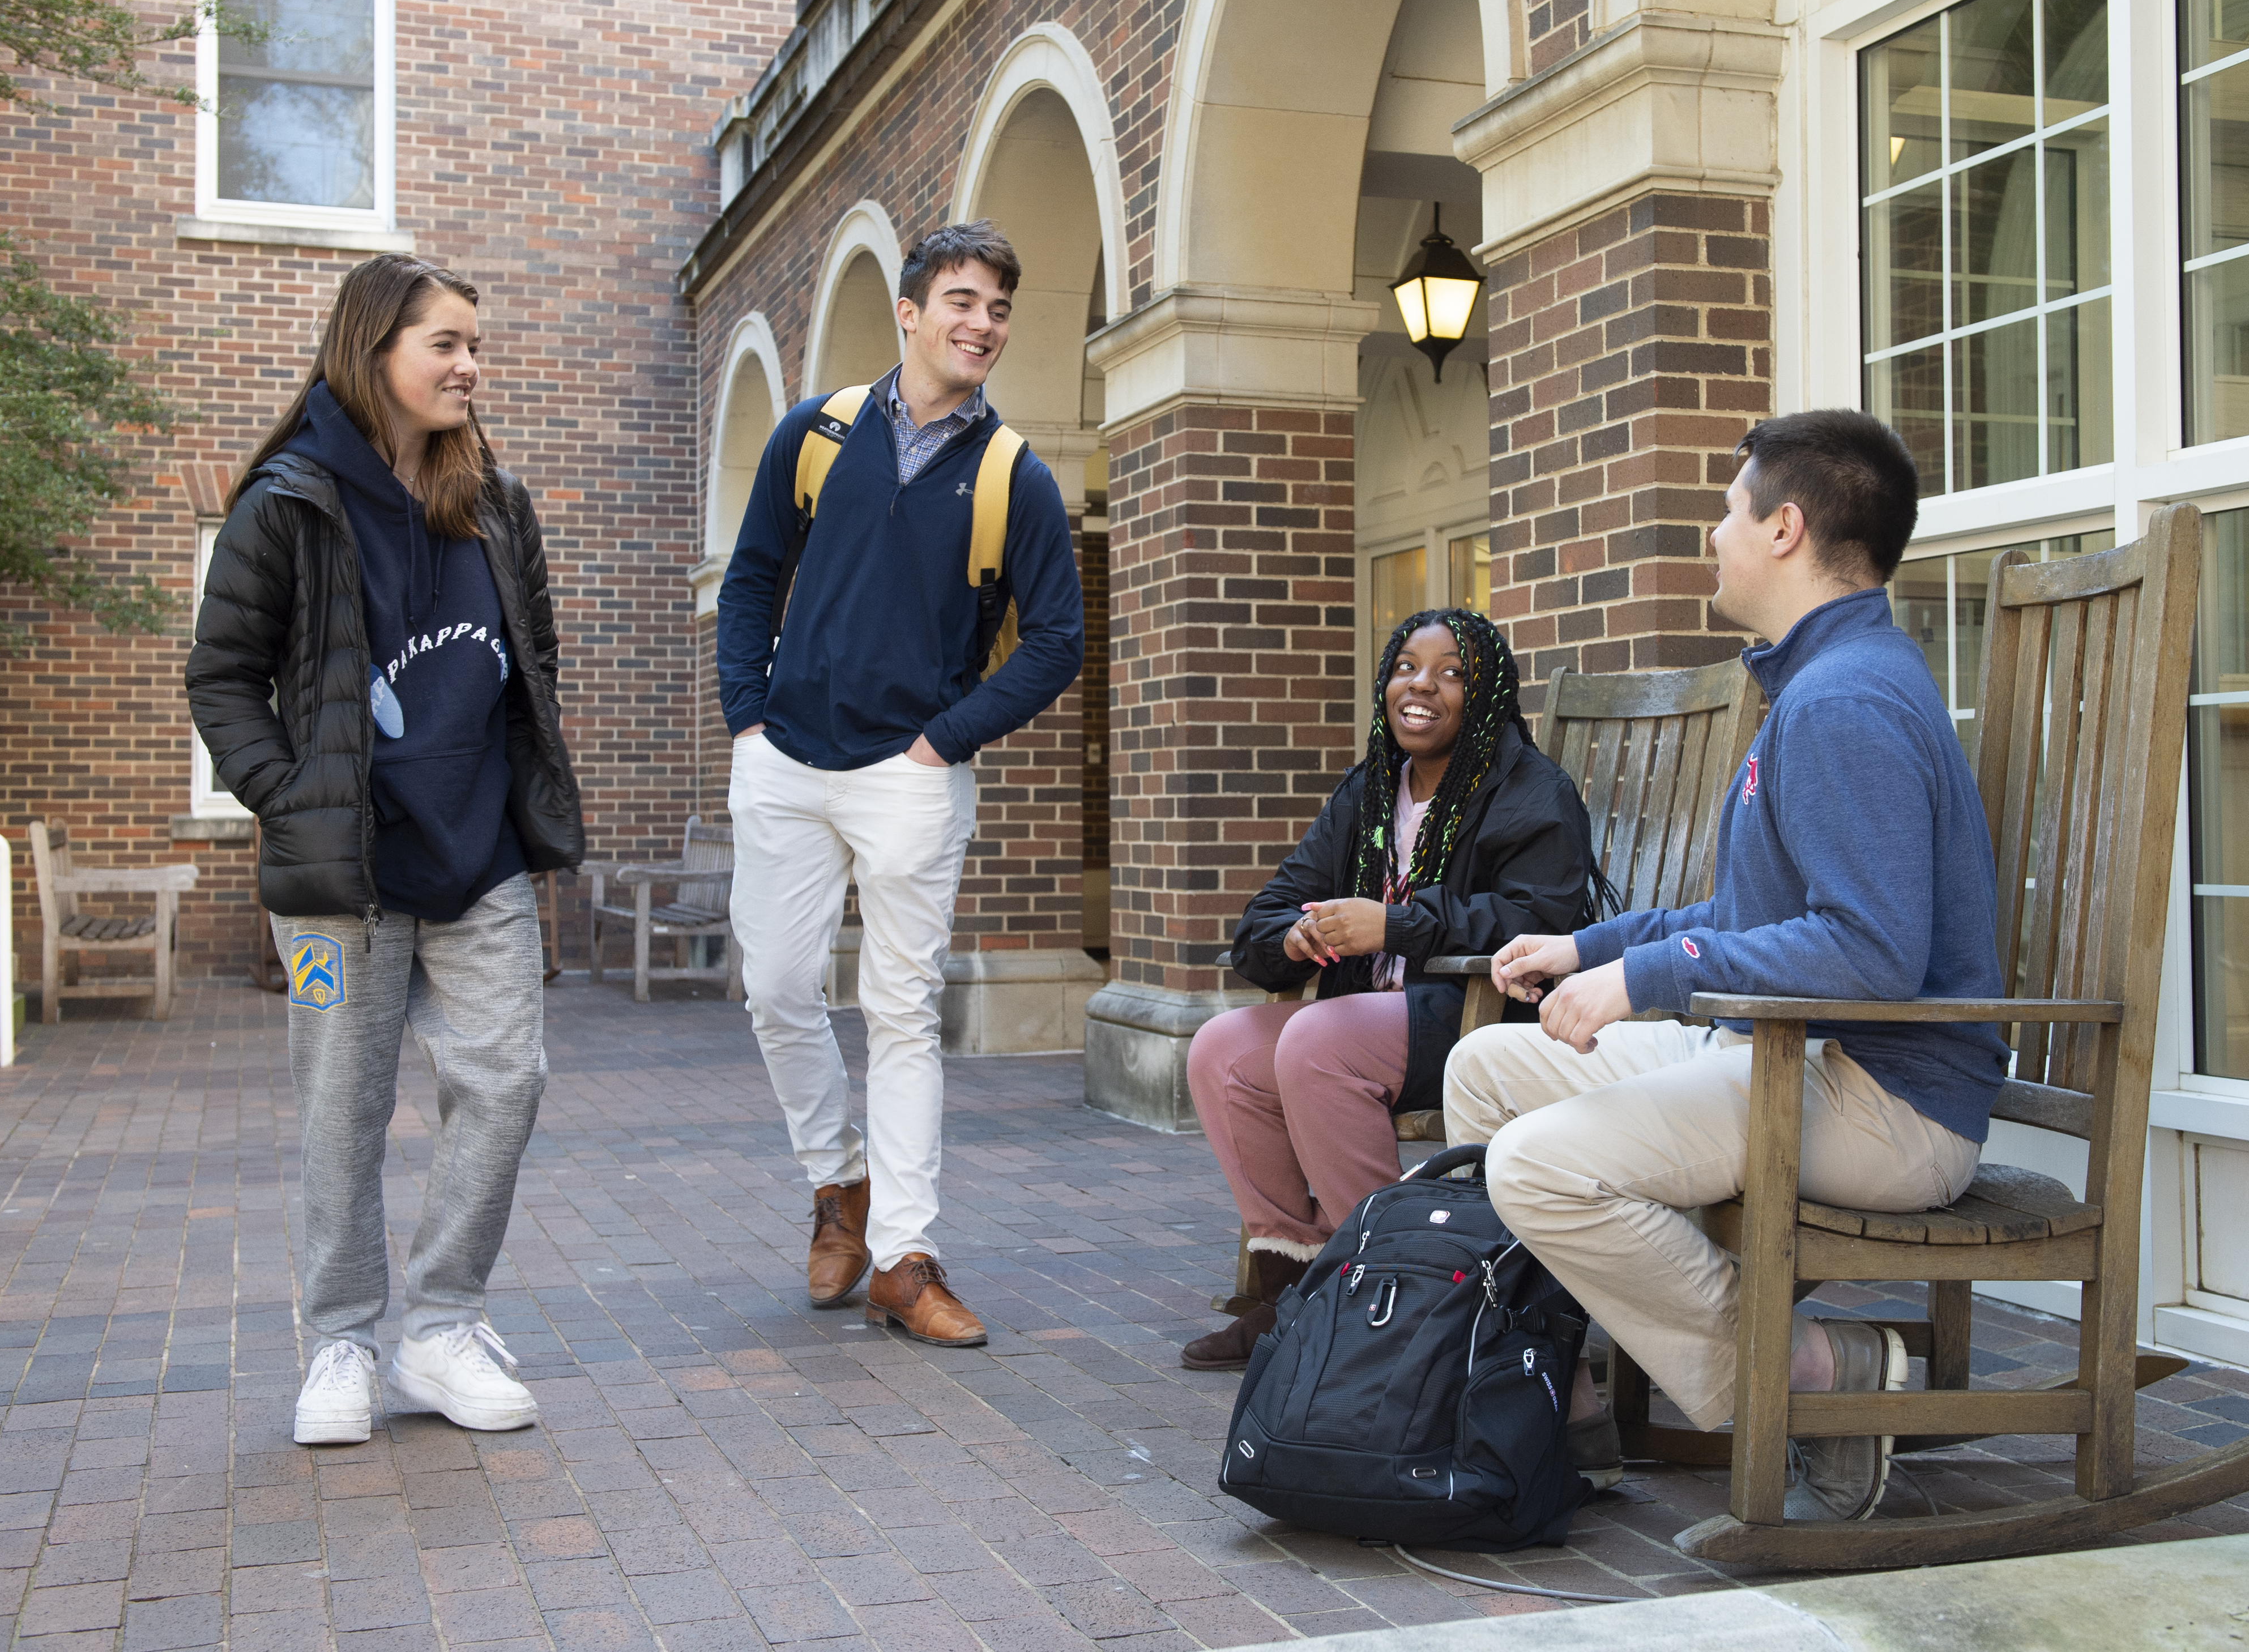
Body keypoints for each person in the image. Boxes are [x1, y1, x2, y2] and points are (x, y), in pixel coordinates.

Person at [1452, 408, 2003, 1519]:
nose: (1713, 532)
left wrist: (1646, 981)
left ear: (1786, 527)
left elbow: (1870, 951)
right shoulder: (1819, 683)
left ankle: (1810, 1372)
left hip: (1883, 1097)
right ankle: (1578, 1382)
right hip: (1789, 1054)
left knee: (1539, 1167)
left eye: (1726, 507)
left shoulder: (1844, 701)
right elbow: (1755, 912)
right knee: (1486, 1075)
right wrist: (1591, 948)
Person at [188, 254, 586, 1447]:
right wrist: (290, 795)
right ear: (374, 352)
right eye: (445, 343)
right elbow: (221, 680)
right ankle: (342, 1342)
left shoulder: (495, 502)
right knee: (340, 1111)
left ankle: (443, 1323)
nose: (470, 364)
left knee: (506, 1080)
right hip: (338, 886)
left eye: (475, 344)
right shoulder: (290, 501)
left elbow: (537, 657)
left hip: (482, 864)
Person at [715, 220, 1084, 1347]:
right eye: (962, 301)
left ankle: (905, 1255)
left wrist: (942, 741)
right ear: (911, 314)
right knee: (777, 987)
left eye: (999, 309)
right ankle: (840, 1186)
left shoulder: (1012, 474)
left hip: (907, 774)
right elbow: (752, 580)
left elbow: (1056, 639)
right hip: (785, 756)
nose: (983, 324)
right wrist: (747, 718)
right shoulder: (816, 433)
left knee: (902, 1012)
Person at [1179, 609, 1599, 1371]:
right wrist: (1293, 937)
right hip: (1368, 1020)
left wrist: (1396, 926)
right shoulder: (1370, 792)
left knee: (1315, 1041)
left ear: (1490, 693)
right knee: (1224, 1050)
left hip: (1483, 1020)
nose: (1423, 686)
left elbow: (1542, 918)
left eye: (1452, 673)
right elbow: (1270, 911)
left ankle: (1405, 1297)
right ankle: (1298, 1289)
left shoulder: (1531, 791)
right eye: (1407, 666)